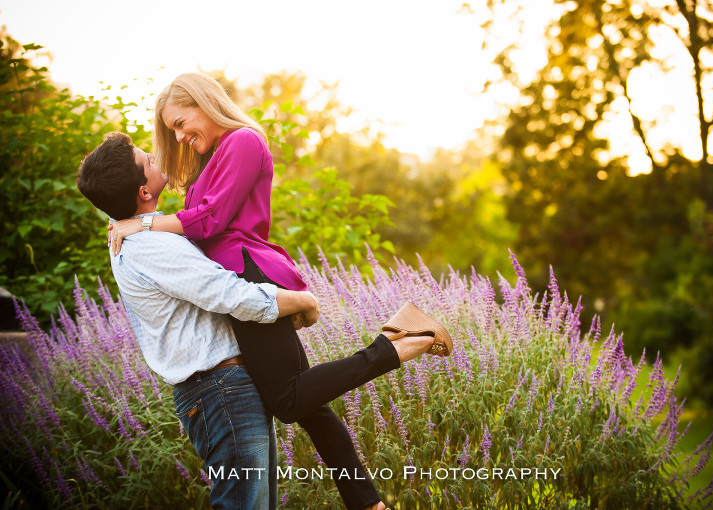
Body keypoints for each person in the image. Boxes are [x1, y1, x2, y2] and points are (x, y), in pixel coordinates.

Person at [108, 73, 454, 510]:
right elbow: (195, 221)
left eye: (180, 122)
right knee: (308, 405)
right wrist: (138, 223)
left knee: (288, 400)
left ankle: (394, 343)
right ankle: (367, 502)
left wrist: (137, 223)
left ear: (203, 102)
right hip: (236, 274)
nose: (178, 135)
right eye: (172, 130)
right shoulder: (212, 157)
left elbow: (210, 221)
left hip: (246, 272)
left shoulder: (243, 142)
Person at [76, 132, 323, 509]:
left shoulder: (138, 231)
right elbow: (228, 294)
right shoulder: (151, 246)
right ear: (144, 191)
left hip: (221, 388)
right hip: (220, 390)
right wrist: (300, 300)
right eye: (149, 159)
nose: (157, 157)